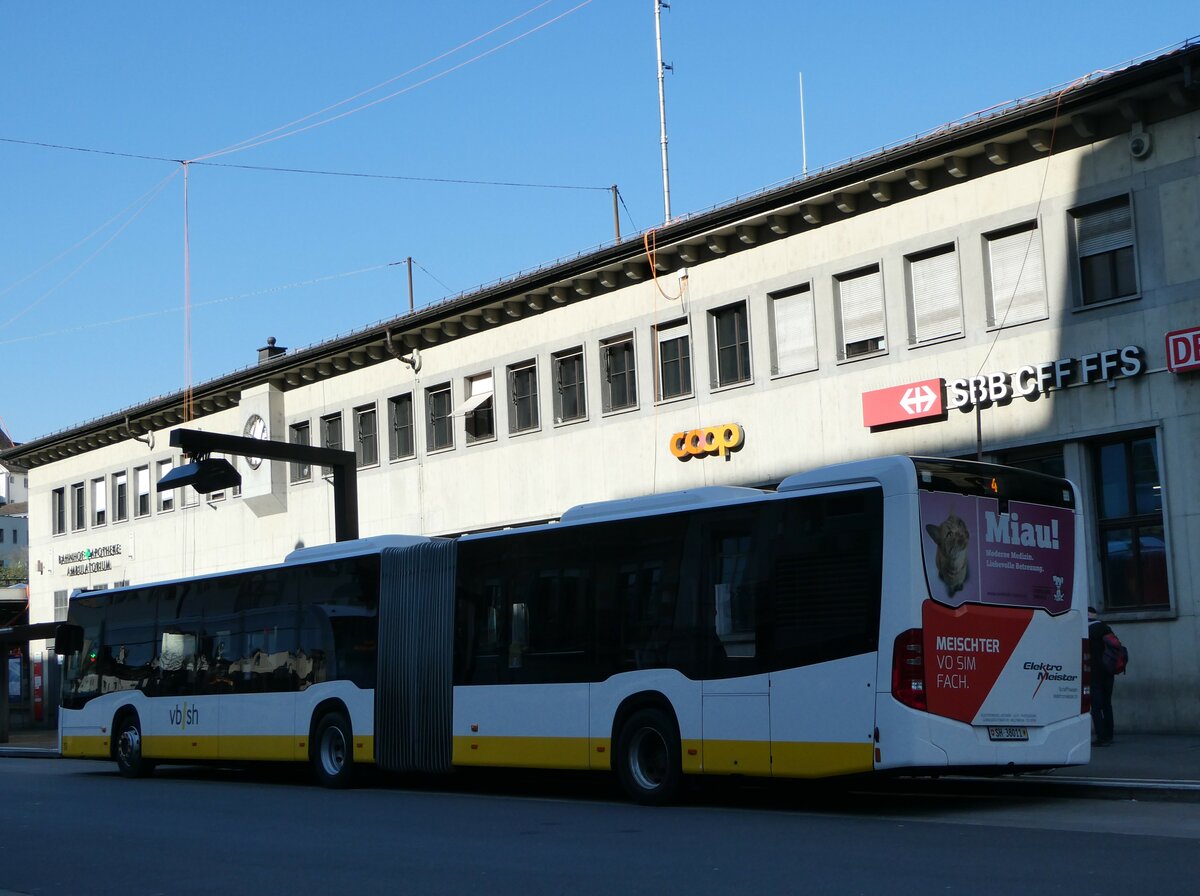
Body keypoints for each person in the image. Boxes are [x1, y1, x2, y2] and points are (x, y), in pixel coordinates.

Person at [1088, 606, 1116, 746]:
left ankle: (1101, 736)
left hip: (1094, 672)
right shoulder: (1106, 628)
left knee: (1096, 706)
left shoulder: (1088, 631)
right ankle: (1109, 734)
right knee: (1107, 704)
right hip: (1109, 671)